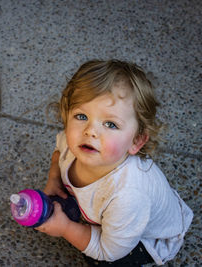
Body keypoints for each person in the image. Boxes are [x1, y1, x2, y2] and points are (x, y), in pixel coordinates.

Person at [36, 59, 193, 266]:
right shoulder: (71, 142)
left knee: (103, 260)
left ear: (136, 141)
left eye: (110, 124)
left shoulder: (128, 195)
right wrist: (54, 179)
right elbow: (59, 153)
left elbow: (109, 250)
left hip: (146, 237)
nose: (90, 131)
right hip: (116, 214)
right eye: (81, 116)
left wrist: (66, 229)